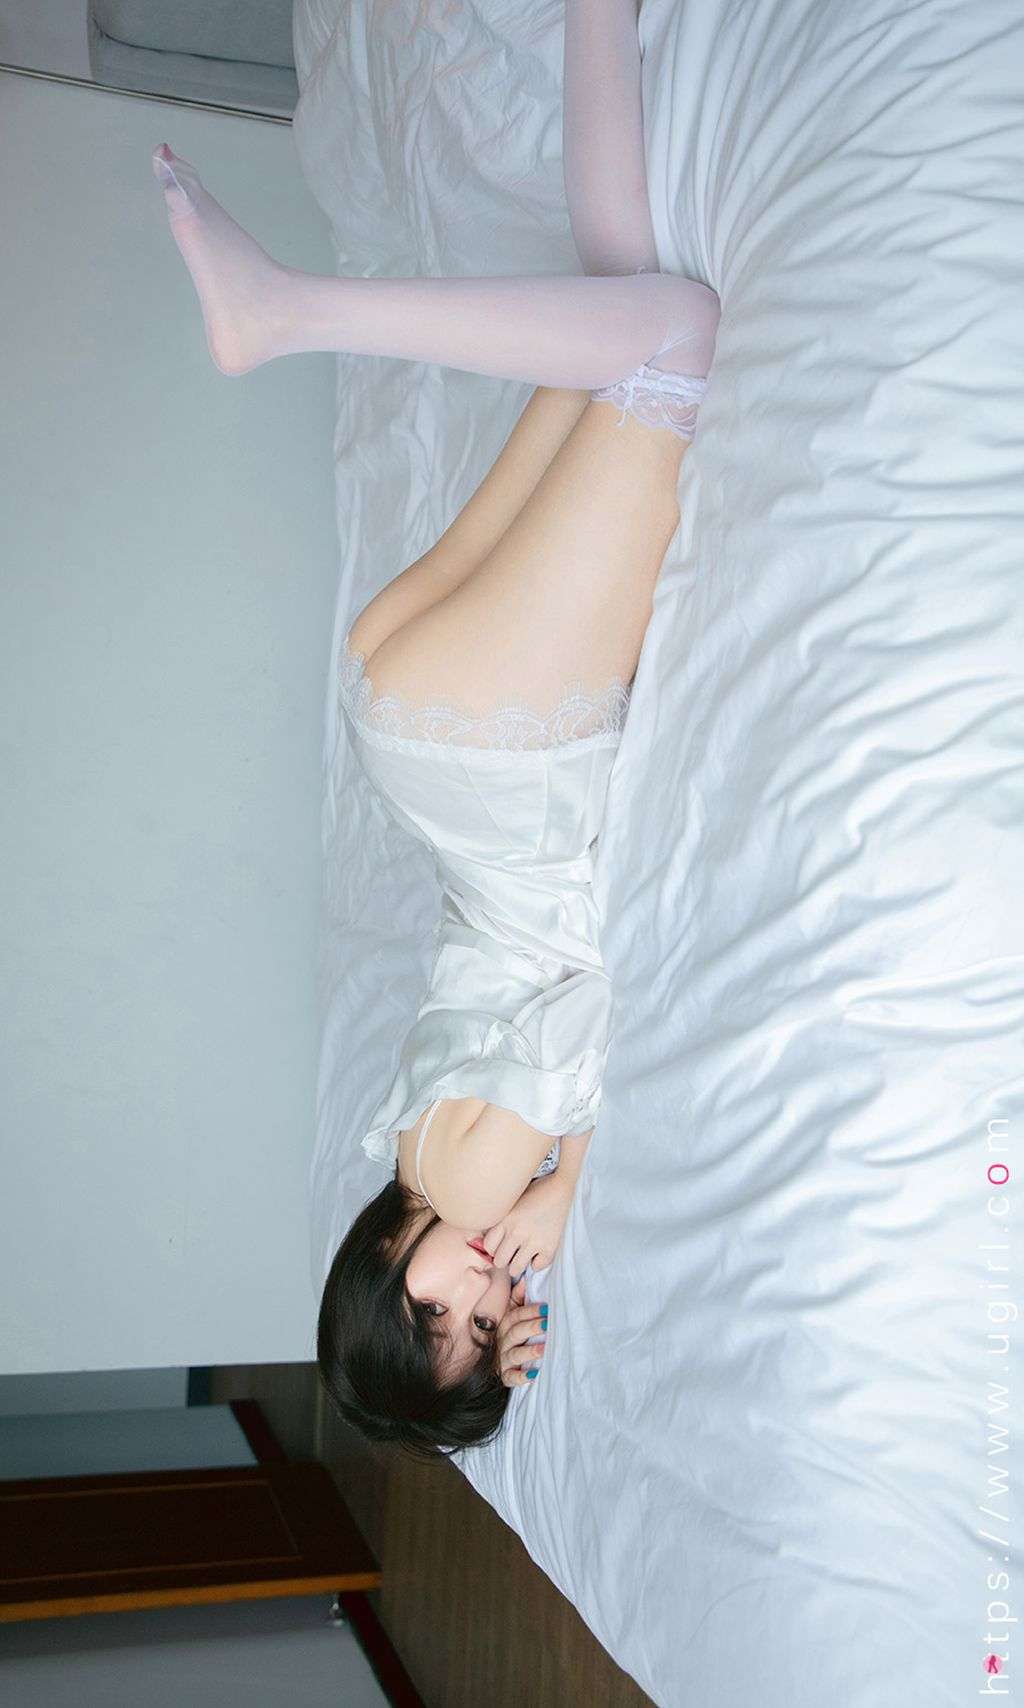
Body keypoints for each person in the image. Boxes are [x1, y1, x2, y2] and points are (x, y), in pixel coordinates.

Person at [153, 0, 721, 1459]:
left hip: (495, 745)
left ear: (377, 1277)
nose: (478, 1290)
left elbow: (607, 1012)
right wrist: (539, 1233)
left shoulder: (473, 1186)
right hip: (408, 721)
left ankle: (290, 313)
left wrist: (563, 1189)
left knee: (672, 340)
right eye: (484, 1327)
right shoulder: (409, 1150)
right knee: (613, 308)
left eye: (435, 1313)